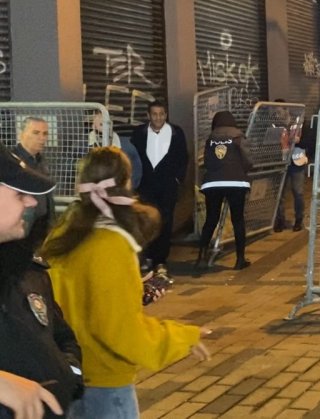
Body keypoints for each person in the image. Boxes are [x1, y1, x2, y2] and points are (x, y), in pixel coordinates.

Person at [41, 148, 209, 419]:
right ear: (126, 183)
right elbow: (121, 330)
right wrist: (181, 338)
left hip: (65, 378)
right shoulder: (112, 245)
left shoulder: (62, 236)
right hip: (105, 385)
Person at [0, 146, 81, 419]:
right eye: (19, 194)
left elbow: (61, 335)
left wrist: (69, 374)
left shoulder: (26, 269)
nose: (32, 202)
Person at [131, 101, 188, 279]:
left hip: (167, 186)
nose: (158, 118)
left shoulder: (176, 133)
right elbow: (134, 157)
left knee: (165, 221)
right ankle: (147, 256)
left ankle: (161, 260)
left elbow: (183, 157)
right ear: (148, 115)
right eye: (154, 114)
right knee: (146, 221)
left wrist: (177, 179)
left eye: (161, 114)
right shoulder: (139, 133)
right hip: (146, 186)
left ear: (166, 115)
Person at [196, 112, 253, 270]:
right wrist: (242, 170)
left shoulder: (211, 139)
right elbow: (248, 160)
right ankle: (240, 260)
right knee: (238, 220)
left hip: (213, 183)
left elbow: (207, 161)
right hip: (236, 183)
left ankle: (201, 256)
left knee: (211, 219)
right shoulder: (239, 136)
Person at [12, 117, 54, 245]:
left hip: (40, 226)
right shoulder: (11, 162)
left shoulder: (41, 161)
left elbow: (48, 196)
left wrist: (51, 221)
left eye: (45, 134)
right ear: (21, 134)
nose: (42, 138)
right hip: (20, 227)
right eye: (36, 133)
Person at [87, 112, 142, 191]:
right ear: (93, 126)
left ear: (111, 125)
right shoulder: (81, 145)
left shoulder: (127, 147)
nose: (104, 128)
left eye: (107, 124)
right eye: (101, 124)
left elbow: (136, 172)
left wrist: (124, 191)